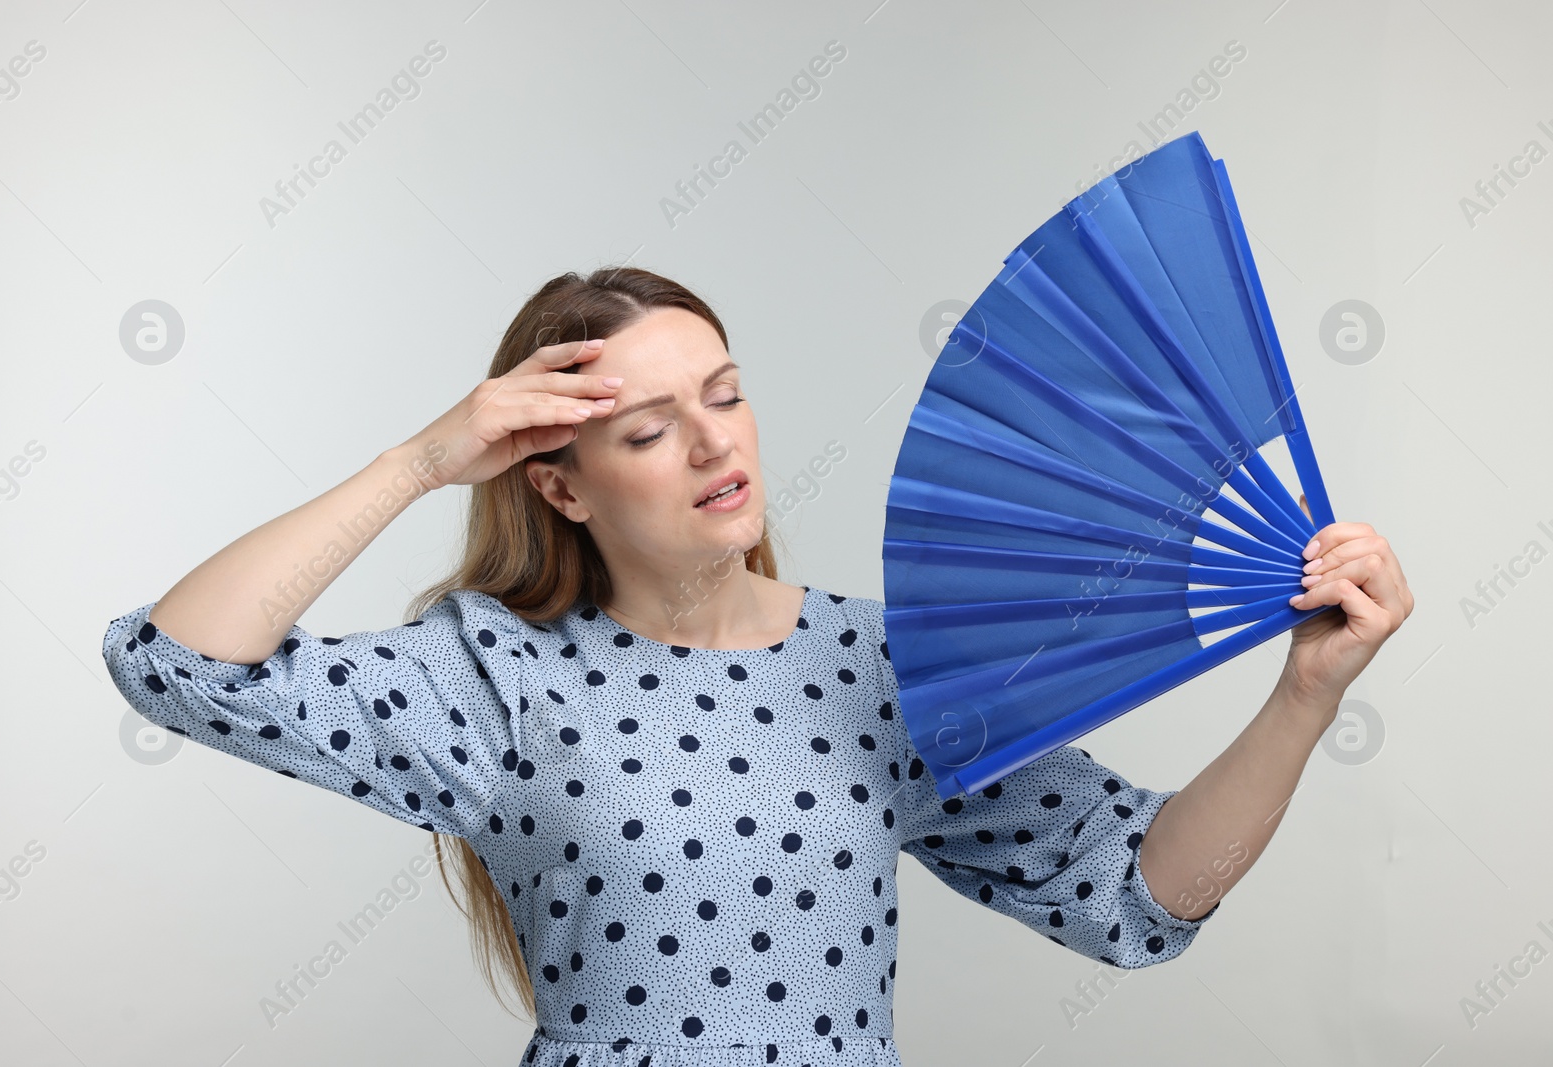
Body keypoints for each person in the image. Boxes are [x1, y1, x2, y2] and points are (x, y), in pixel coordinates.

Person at [101, 266, 1412, 1066]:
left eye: (723, 394)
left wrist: (1306, 693)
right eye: (649, 429)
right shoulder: (498, 677)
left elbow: (1133, 897)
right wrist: (424, 460)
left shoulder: (879, 664)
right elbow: (179, 665)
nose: (713, 446)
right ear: (556, 482)